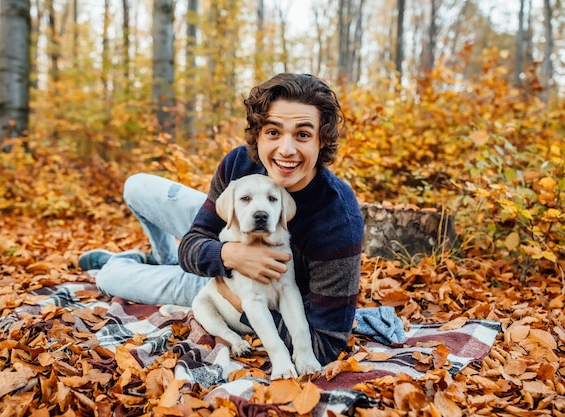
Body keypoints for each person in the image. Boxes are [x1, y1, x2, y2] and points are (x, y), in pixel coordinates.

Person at [78, 73, 364, 365]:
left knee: (109, 277)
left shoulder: (338, 219)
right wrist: (228, 254)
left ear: (321, 140)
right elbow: (193, 242)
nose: (286, 150)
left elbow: (327, 344)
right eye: (273, 132)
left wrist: (239, 303)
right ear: (258, 135)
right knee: (136, 185)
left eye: (302, 134)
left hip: (230, 291)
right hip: (228, 240)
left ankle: (126, 263)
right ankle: (160, 258)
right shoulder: (240, 163)